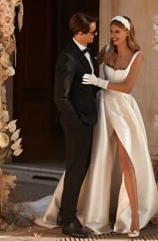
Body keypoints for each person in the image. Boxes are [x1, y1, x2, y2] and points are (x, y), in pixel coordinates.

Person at [29, 15, 158, 238]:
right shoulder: (106, 50)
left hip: (122, 109)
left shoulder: (137, 56)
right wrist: (82, 105)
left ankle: (134, 218)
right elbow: (79, 69)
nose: (111, 36)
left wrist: (99, 83)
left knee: (127, 159)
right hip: (101, 109)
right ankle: (79, 212)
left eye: (117, 31)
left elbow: (126, 87)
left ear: (128, 32)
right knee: (96, 160)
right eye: (110, 31)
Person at [53, 12, 99, 237]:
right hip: (76, 124)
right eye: (92, 32)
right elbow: (60, 97)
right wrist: (78, 122)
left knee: (80, 168)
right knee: (75, 170)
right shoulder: (68, 58)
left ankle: (65, 212)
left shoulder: (88, 52)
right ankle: (68, 221)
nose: (95, 34)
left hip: (87, 121)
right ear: (80, 33)